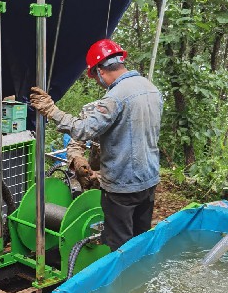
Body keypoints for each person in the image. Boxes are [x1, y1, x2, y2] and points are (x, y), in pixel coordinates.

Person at [30, 39, 163, 251]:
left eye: (94, 75)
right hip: (148, 181)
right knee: (141, 239)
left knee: (120, 247)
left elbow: (84, 130)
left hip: (122, 187)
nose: (97, 80)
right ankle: (141, 278)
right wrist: (80, 161)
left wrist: (52, 111)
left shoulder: (115, 97)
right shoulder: (151, 89)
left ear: (100, 69)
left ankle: (123, 282)